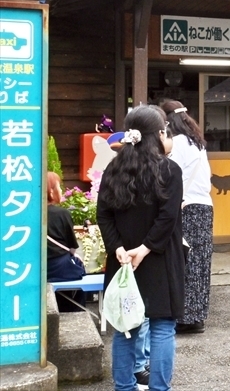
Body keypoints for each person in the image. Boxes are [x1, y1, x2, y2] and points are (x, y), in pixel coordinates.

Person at [97, 105, 184, 391]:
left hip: (122, 263)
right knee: (161, 327)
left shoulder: (114, 167)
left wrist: (118, 248)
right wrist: (146, 248)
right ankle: (159, 388)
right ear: (159, 133)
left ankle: (124, 387)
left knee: (126, 328)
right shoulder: (169, 169)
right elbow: (168, 216)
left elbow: (104, 214)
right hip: (160, 259)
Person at [161, 100, 214, 334]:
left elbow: (168, 176)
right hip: (205, 206)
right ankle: (197, 316)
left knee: (185, 261)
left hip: (187, 207)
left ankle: (186, 317)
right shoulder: (198, 143)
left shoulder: (177, 144)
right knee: (201, 262)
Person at [46, 171, 87, 312]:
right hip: (61, 268)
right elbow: (72, 247)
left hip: (37, 270)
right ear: (51, 191)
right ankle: (75, 312)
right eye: (58, 186)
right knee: (79, 278)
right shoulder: (62, 214)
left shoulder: (30, 214)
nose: (60, 190)